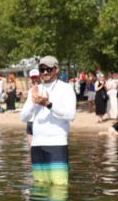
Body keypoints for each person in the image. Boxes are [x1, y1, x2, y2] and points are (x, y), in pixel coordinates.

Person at [20, 56, 76, 186]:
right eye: (42, 69)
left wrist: (48, 104)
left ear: (56, 70)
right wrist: (34, 102)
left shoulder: (66, 88)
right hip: (36, 145)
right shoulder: (34, 90)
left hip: (56, 144)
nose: (45, 72)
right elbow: (23, 117)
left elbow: (71, 115)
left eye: (49, 69)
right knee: (39, 187)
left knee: (59, 186)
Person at [26, 69, 40, 146]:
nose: (34, 79)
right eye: (33, 77)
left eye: (36, 77)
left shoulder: (44, 88)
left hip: (39, 121)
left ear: (40, 77)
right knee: (31, 147)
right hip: (30, 120)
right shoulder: (30, 90)